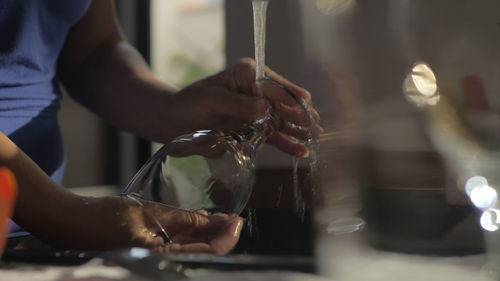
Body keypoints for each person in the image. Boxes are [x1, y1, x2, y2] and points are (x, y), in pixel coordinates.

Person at [0, 0, 320, 254]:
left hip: (30, 242)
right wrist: (64, 215)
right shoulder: (64, 219)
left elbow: (93, 50)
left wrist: (171, 107)